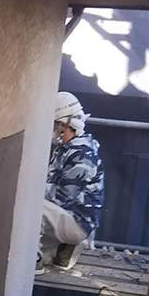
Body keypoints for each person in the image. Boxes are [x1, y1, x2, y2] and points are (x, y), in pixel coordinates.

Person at [38, 92, 105, 273]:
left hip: (77, 223)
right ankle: (63, 250)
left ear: (65, 124)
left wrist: (29, 187)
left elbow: (63, 197)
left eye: (55, 124)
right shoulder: (67, 148)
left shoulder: (82, 153)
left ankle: (33, 259)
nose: (53, 129)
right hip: (71, 217)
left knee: (29, 206)